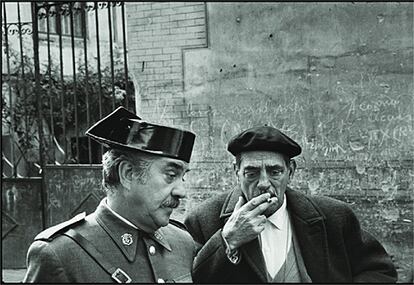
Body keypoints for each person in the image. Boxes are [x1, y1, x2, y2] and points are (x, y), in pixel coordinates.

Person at [184, 125, 397, 283]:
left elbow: (380, 271)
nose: (264, 184)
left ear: (291, 171)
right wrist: (227, 241)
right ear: (236, 172)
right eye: (252, 173)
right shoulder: (204, 220)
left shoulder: (334, 216)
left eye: (274, 172)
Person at [23, 106, 196, 283]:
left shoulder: (182, 243)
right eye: (171, 175)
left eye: (183, 177)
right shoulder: (60, 254)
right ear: (127, 174)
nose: (181, 192)